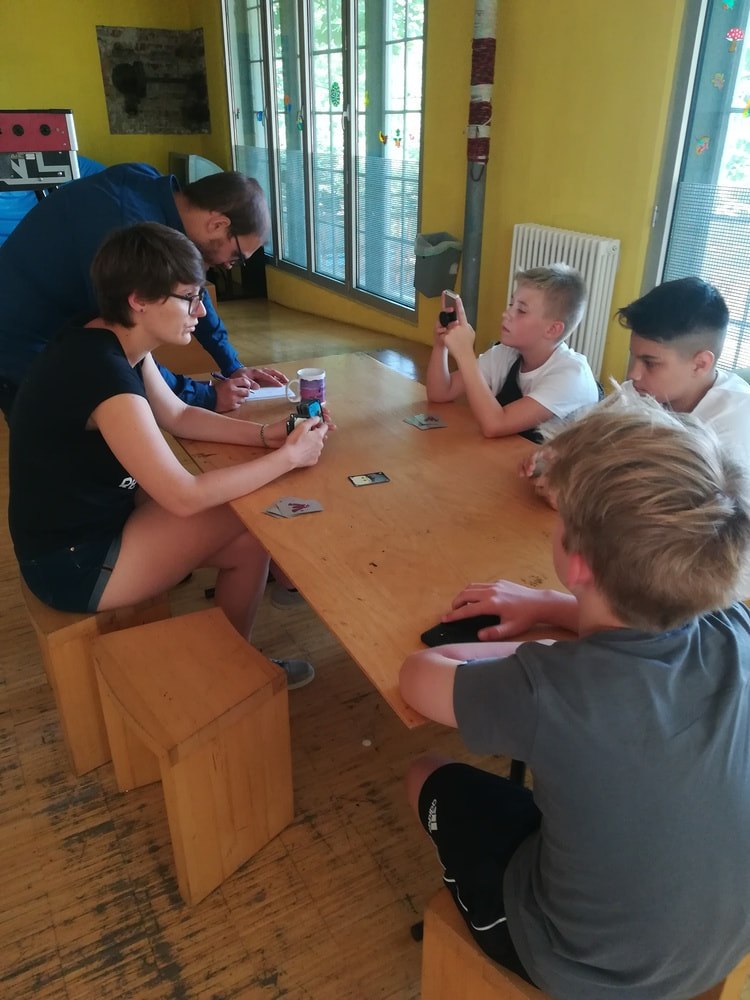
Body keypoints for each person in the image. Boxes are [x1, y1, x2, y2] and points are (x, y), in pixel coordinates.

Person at [399, 402, 750, 998]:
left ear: (577, 561)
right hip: (723, 944)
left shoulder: (550, 690)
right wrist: (551, 607)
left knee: (425, 772)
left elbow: (418, 676)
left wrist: (537, 651)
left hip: (584, 967)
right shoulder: (735, 626)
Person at [8, 222, 329, 689]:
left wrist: (268, 436)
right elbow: (183, 496)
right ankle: (230, 676)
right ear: (139, 299)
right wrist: (288, 459)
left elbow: (178, 414)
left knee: (249, 541)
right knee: (252, 510)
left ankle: (231, 666)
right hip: (71, 563)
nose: (201, 310)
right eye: (188, 297)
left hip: (87, 525)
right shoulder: (103, 375)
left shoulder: (110, 337)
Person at [0, 161, 287, 419]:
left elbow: (191, 291)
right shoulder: (128, 229)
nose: (228, 265)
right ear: (218, 224)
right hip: (25, 348)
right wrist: (207, 396)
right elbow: (123, 345)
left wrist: (232, 366)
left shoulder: (150, 186)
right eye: (236, 257)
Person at [521, 276, 750, 506]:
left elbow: (680, 509)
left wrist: (579, 493)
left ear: (700, 364)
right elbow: (577, 442)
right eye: (635, 358)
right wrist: (551, 459)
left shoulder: (735, 429)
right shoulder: (639, 392)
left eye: (650, 363)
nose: (633, 374)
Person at [425, 263, 599, 443]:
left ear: (552, 329)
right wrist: (441, 344)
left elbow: (494, 425)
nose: (506, 314)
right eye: (511, 304)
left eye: (521, 310)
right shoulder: (507, 353)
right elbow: (440, 393)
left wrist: (465, 354)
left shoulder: (571, 376)